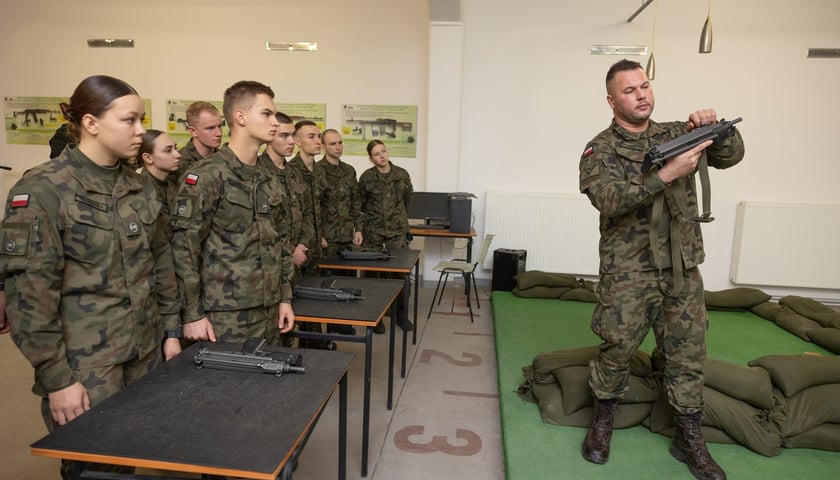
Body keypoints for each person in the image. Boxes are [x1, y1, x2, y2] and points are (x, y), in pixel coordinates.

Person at [0, 75, 182, 479]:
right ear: (91, 123)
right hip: (87, 365)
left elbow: (161, 261)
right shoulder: (44, 189)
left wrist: (171, 331)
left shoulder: (139, 187)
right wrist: (57, 379)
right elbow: (29, 297)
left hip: (145, 351)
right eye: (129, 120)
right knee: (95, 467)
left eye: (142, 120)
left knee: (134, 454)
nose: (140, 132)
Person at [578, 59, 744, 480]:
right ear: (611, 100)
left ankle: (688, 437)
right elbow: (609, 199)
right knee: (617, 350)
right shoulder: (600, 149)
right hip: (628, 271)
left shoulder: (677, 133)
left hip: (682, 267)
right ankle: (602, 422)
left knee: (688, 353)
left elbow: (731, 155)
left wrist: (716, 126)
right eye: (630, 90)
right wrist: (665, 175)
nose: (641, 95)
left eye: (645, 85)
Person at [170, 80, 295, 345]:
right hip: (224, 314)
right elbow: (184, 249)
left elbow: (281, 242)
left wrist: (285, 297)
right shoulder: (206, 176)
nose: (275, 122)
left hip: (269, 308)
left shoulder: (268, 176)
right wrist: (192, 314)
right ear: (240, 117)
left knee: (271, 385)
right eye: (266, 114)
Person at [359, 139, 414, 333]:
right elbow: (362, 205)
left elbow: (408, 199)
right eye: (376, 153)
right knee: (373, 276)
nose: (382, 156)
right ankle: (376, 317)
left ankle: (400, 315)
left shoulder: (401, 174)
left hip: (397, 232)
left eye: (383, 151)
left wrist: (396, 218)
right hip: (373, 232)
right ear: (370, 158)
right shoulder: (366, 177)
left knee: (401, 274)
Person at [315, 129, 362, 335]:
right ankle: (329, 324)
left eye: (340, 143)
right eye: (333, 144)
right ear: (324, 147)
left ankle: (344, 323)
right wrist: (319, 234)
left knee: (348, 282)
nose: (338, 147)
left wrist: (358, 228)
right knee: (328, 284)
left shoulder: (349, 171)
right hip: (328, 238)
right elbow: (314, 206)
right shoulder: (317, 170)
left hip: (346, 237)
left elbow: (355, 202)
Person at [137, 129, 181, 241]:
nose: (177, 155)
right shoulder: (138, 191)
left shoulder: (172, 186)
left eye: (175, 148)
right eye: (168, 151)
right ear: (148, 158)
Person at [176, 101, 223, 178]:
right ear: (193, 131)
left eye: (220, 126)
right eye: (210, 128)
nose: (219, 133)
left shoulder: (224, 158)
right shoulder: (178, 162)